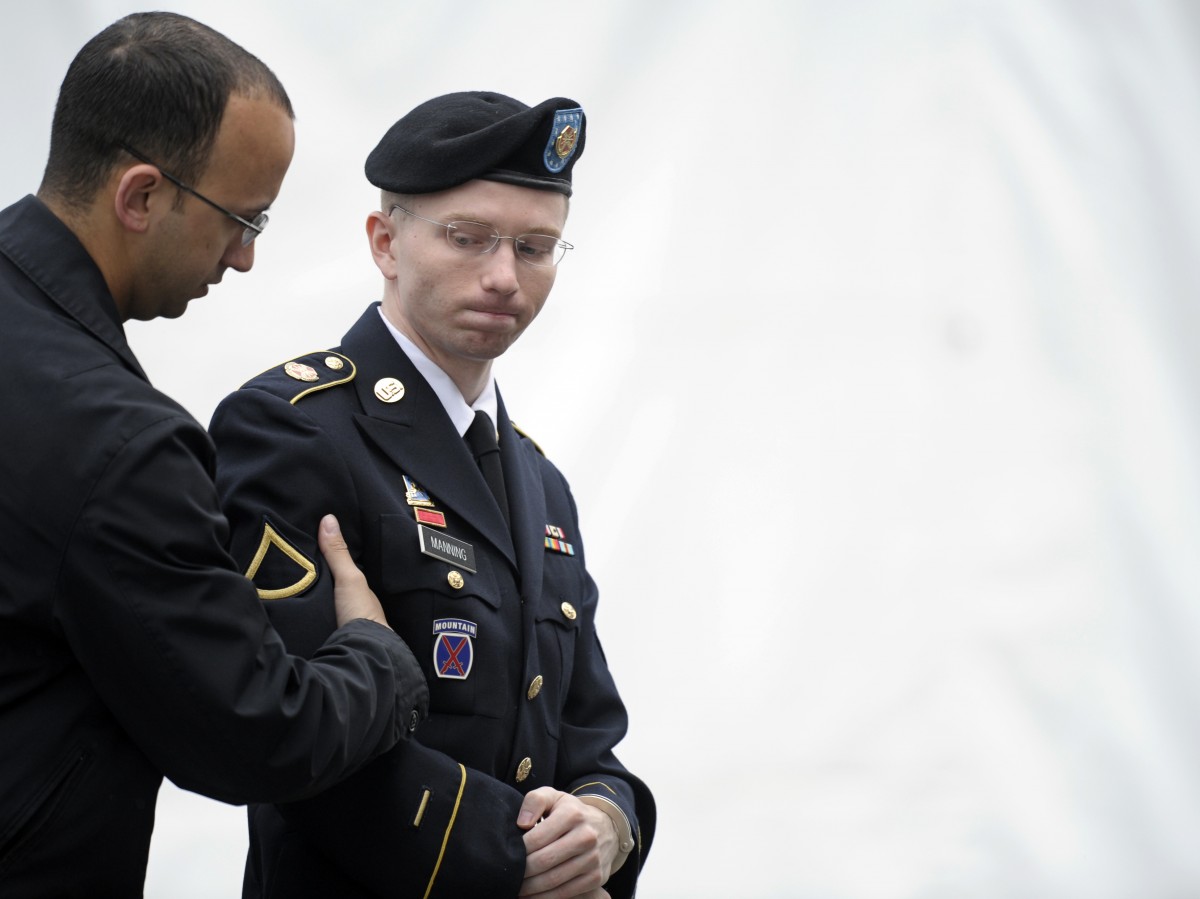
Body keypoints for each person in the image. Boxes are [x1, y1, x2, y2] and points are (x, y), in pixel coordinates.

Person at [0, 14, 429, 897]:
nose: (245, 256)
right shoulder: (116, 445)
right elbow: (259, 731)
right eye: (242, 218)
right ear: (142, 196)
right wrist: (374, 655)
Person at [209, 91, 655, 898]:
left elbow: (588, 732)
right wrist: (516, 858)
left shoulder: (540, 483)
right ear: (385, 241)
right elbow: (294, 735)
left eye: (536, 246)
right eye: (468, 237)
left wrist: (605, 822)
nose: (503, 276)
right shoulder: (292, 433)